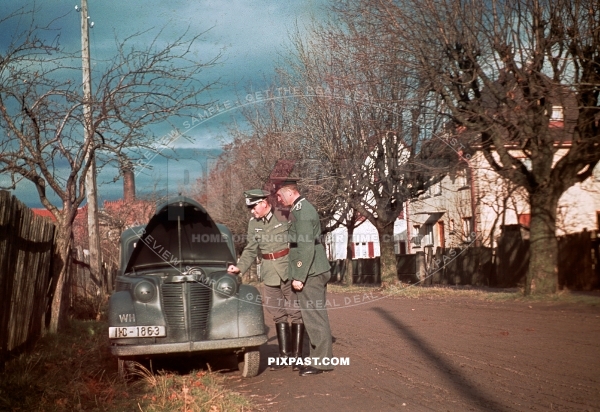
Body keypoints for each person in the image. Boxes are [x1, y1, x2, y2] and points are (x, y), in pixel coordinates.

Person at [227, 189, 304, 371]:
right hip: (269, 272)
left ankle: (298, 358)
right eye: (250, 209)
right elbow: (251, 249)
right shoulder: (253, 223)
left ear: (264, 203)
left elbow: (300, 242)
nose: (252, 211)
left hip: (288, 269)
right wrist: (239, 267)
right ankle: (285, 356)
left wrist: (300, 270)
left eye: (254, 207)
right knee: (276, 312)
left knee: (295, 312)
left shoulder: (284, 214)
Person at [274, 178, 334, 376]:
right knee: (312, 316)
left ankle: (322, 363)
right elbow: (295, 237)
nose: (279, 199)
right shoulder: (298, 210)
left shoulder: (304, 211)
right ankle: (318, 359)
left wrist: (299, 275)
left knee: (315, 317)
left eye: (280, 195)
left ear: (290, 192)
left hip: (312, 271)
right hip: (313, 268)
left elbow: (306, 247)